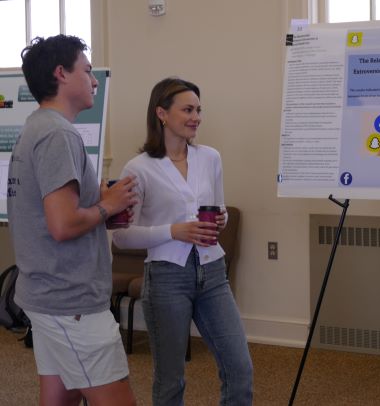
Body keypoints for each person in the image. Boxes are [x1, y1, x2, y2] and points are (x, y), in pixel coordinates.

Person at [7, 35, 137, 406]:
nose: (95, 80)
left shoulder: (36, 128)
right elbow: (62, 225)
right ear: (61, 74)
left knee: (59, 400)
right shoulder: (57, 134)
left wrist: (103, 206)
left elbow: (51, 214)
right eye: (87, 70)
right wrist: (107, 206)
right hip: (70, 302)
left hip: (49, 296)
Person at [112, 77, 253, 406]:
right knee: (170, 378)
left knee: (240, 368)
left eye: (199, 110)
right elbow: (121, 235)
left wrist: (221, 219)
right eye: (188, 109)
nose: (196, 117)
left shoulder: (210, 158)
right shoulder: (139, 168)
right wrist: (173, 231)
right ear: (161, 113)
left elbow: (219, 209)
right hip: (166, 277)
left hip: (213, 272)